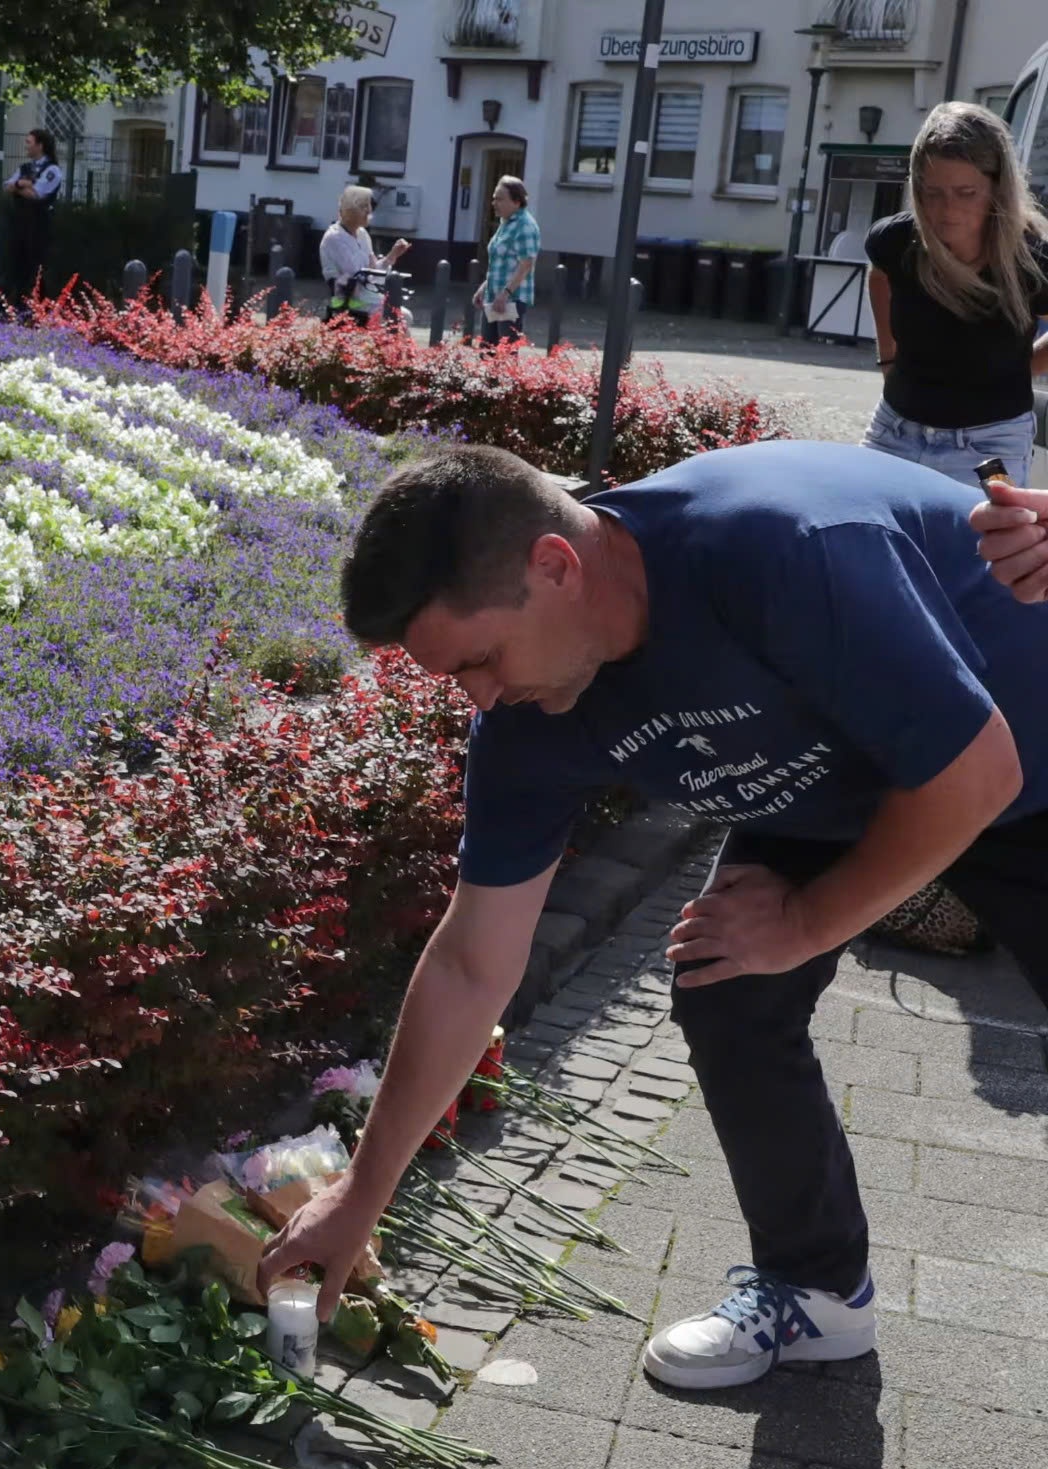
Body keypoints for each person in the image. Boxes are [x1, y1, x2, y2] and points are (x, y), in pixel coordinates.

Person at [257, 439, 1048, 1394]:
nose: (481, 697)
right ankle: (819, 1293)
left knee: (774, 937)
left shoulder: (774, 548)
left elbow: (975, 775)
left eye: (481, 658)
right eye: (452, 677)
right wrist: (357, 1196)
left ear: (555, 564)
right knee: (727, 979)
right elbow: (473, 961)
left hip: (1015, 749)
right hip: (835, 779)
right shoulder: (528, 721)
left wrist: (803, 921)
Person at [863, 101, 1048, 488]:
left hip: (990, 446)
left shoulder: (1032, 259)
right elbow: (879, 276)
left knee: (977, 550)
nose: (946, 210)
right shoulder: (897, 241)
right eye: (932, 193)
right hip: (894, 433)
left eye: (966, 193)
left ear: (998, 189)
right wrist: (888, 356)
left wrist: (1024, 366)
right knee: (865, 544)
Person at [321, 185, 414, 329]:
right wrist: (371, 268)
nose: (369, 210)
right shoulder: (334, 238)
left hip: (367, 295)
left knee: (403, 316)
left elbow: (373, 272)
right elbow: (358, 274)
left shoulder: (362, 234)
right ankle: (392, 350)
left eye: (369, 205)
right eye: (364, 206)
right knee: (400, 317)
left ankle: (392, 350)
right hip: (348, 299)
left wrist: (392, 254)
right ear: (350, 209)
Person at [1, 128, 63, 310]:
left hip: (39, 226)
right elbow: (7, 186)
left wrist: (22, 186)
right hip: (20, 224)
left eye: (29, 142)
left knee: (37, 269)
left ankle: (39, 309)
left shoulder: (52, 170)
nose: (26, 146)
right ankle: (19, 307)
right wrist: (22, 184)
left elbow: (37, 194)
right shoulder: (24, 168)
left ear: (40, 145)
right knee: (17, 266)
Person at [479, 176, 540, 346]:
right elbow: (501, 262)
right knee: (487, 351)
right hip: (494, 296)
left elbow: (526, 265)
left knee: (505, 354)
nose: (494, 203)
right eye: (494, 198)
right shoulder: (506, 223)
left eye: (499, 199)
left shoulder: (524, 225)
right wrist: (483, 288)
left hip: (510, 300)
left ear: (516, 201)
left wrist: (505, 293)